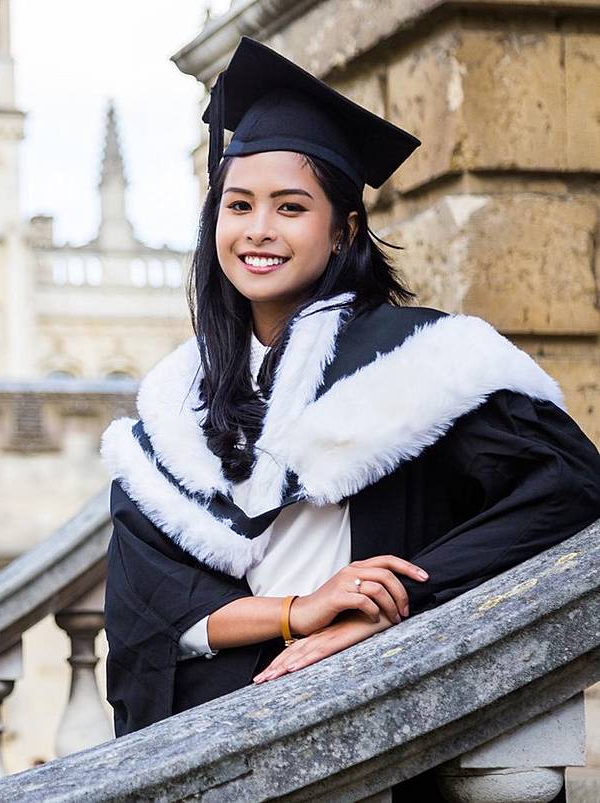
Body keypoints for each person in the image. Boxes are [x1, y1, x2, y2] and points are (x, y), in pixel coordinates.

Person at [100, 35, 600, 799]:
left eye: (291, 207)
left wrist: (389, 605)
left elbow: (566, 490)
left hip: (363, 734)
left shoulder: (421, 362)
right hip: (222, 749)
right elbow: (147, 610)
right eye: (238, 205)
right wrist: (303, 610)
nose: (258, 229)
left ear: (344, 230)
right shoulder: (177, 404)